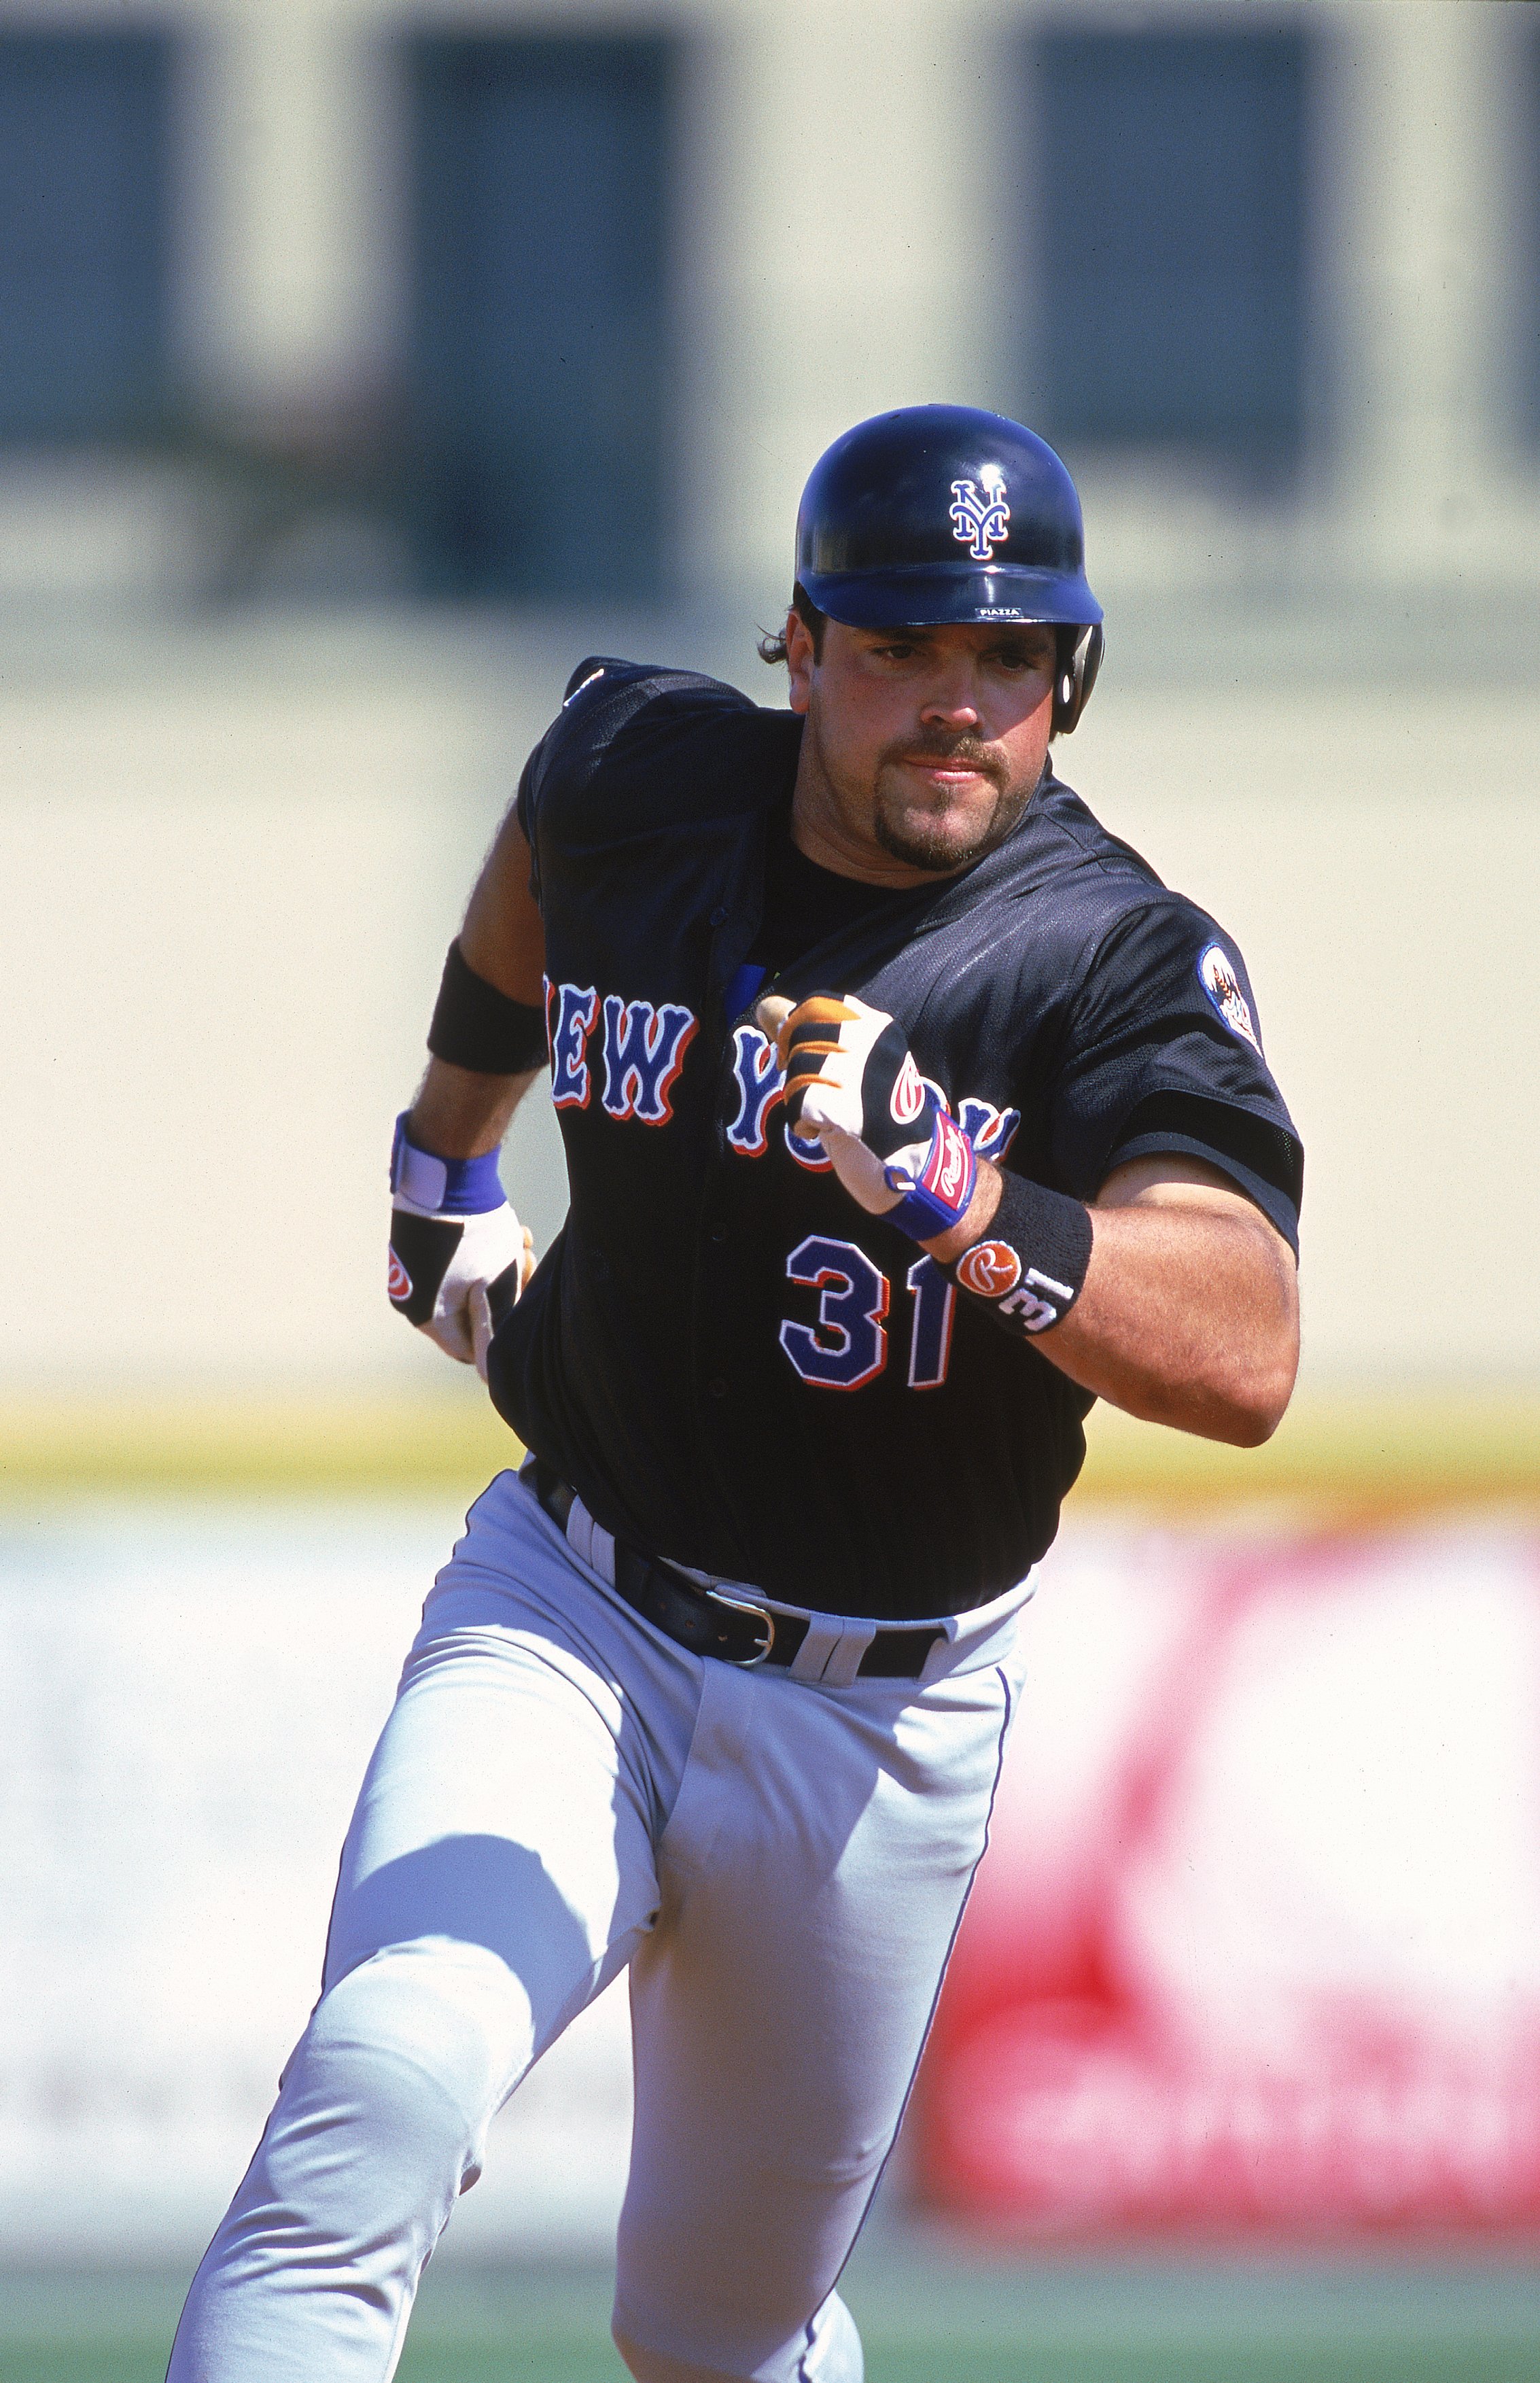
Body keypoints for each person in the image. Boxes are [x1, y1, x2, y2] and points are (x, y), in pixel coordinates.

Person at [168, 404, 1300, 2382]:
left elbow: (1245, 1343)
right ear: (798, 646)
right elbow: (544, 825)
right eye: (897, 648)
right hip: (575, 1596)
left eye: (1004, 659)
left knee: (711, 2330)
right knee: (377, 2088)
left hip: (878, 1718)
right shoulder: (648, 776)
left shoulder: (1105, 957)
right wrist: (448, 1147)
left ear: (1067, 677)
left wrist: (957, 1189)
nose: (952, 706)